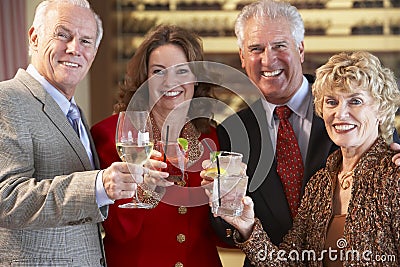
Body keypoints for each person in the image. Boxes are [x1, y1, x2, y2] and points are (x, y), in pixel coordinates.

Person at [210, 1, 400, 265]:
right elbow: (290, 259)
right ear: (242, 57)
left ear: (300, 49)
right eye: (256, 48)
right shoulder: (320, 184)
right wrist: (245, 225)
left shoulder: (392, 174)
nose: (268, 59)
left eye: (279, 45)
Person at [0, 0, 163, 265]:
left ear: (94, 52)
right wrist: (98, 185)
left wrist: (139, 186)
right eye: (63, 35)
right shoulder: (7, 99)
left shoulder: (73, 112)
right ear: (35, 37)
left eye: (86, 41)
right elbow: (6, 199)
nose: (75, 49)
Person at [90, 24, 224, 267]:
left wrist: (225, 201)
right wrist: (143, 188)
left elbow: (221, 235)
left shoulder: (213, 138)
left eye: (181, 71)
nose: (170, 82)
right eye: (158, 71)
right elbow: (116, 230)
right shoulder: (110, 136)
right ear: (144, 80)